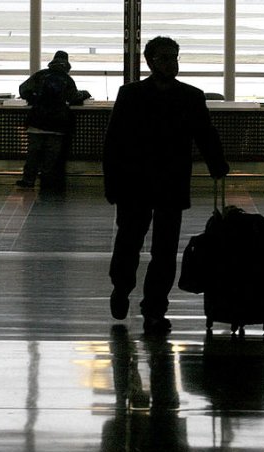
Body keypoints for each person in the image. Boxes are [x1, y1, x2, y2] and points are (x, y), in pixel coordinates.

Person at [104, 36, 230, 334]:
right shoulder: (141, 95)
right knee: (131, 244)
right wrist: (113, 183)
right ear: (150, 61)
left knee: (161, 250)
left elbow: (205, 135)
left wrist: (217, 164)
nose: (172, 62)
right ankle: (123, 288)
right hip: (144, 184)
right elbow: (114, 143)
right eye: (165, 57)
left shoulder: (178, 96)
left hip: (162, 185)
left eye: (175, 56)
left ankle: (153, 308)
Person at [16, 50, 91, 190]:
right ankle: (47, 183)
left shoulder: (41, 75)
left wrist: (33, 98)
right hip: (57, 124)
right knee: (51, 156)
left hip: (36, 121)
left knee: (33, 153)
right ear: (67, 65)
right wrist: (85, 94)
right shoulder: (67, 79)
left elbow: (23, 89)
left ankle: (28, 180)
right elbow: (74, 97)